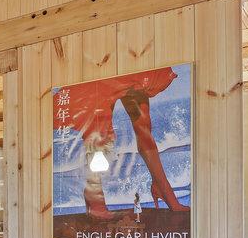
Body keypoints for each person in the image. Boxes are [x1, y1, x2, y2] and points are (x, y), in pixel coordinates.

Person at [64, 66, 187, 218]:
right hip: (103, 68)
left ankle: (162, 186)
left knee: (143, 124)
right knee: (100, 123)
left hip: (129, 66)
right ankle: (95, 197)